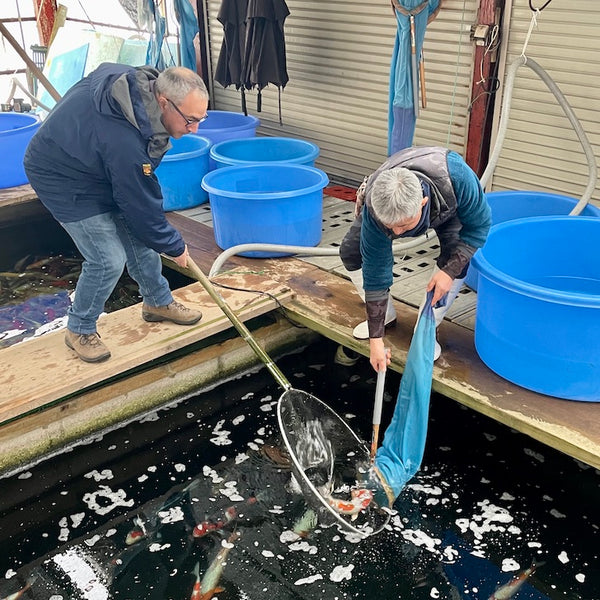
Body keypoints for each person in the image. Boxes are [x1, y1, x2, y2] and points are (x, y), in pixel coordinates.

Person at [24, 63, 210, 363]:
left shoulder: (145, 90)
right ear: (163, 102)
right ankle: (79, 328)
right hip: (60, 174)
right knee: (107, 258)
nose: (194, 130)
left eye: (201, 119)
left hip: (95, 161)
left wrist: (160, 238)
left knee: (141, 239)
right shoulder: (124, 137)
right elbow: (139, 201)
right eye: (190, 120)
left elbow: (138, 198)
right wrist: (174, 245)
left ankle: (157, 303)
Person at [339, 146, 491, 371]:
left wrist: (448, 272)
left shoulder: (458, 179)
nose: (397, 234)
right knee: (350, 252)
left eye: (403, 226)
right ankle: (385, 317)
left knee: (456, 261)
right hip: (390, 205)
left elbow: (479, 227)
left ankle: (425, 331)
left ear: (422, 202)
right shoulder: (375, 207)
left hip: (449, 206)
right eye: (391, 227)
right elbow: (376, 269)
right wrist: (376, 340)